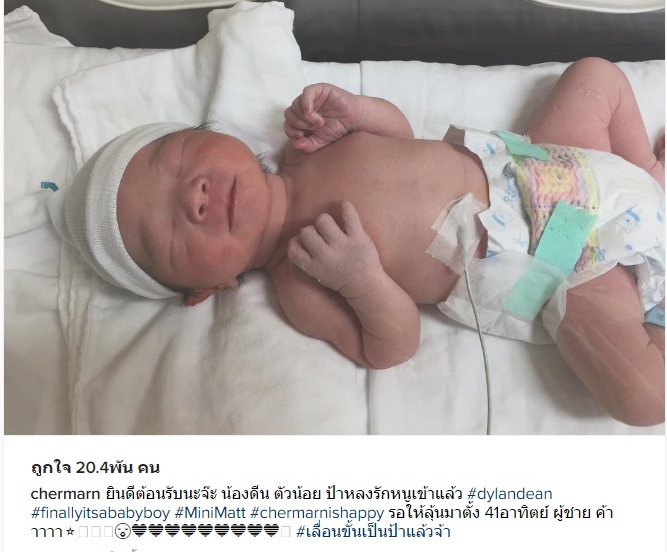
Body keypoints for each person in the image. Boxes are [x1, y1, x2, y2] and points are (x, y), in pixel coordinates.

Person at [48, 58, 665, 426]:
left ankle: (647, 179)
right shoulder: (300, 281)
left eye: (181, 157)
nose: (195, 196)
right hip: (563, 265)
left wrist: (360, 112)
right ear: (205, 289)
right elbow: (392, 345)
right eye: (167, 233)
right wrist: (362, 280)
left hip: (550, 165)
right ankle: (655, 288)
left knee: (595, 75)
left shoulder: (306, 147)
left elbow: (401, 137)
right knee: (642, 399)